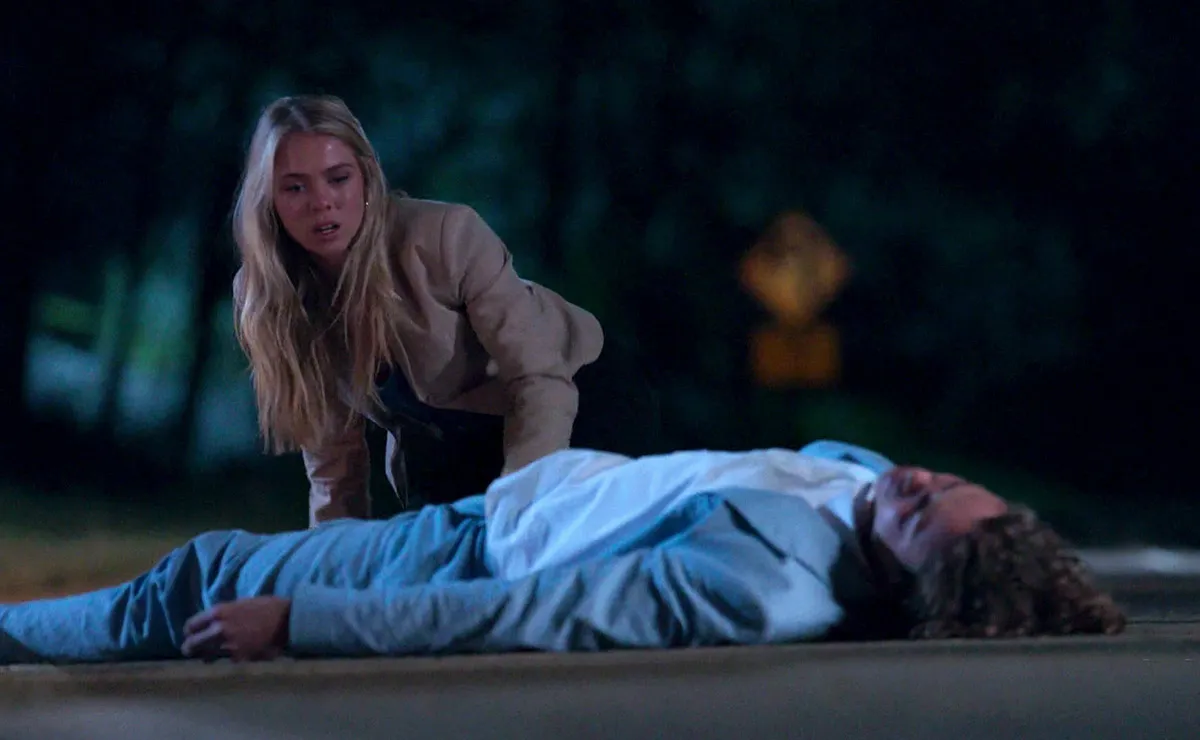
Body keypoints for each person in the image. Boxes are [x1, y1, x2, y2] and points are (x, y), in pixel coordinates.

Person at [0, 441, 1124, 665]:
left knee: (197, 578)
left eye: (927, 512)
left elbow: (534, 614)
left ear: (911, 575)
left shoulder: (763, 584)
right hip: (487, 509)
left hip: (454, 559)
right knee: (194, 571)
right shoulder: (868, 485)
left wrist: (307, 623)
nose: (918, 483)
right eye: (949, 483)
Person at [230, 94, 660, 525]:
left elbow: (539, 380)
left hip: (573, 395)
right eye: (295, 187)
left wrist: (516, 507)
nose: (321, 202)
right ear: (268, 199)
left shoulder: (444, 235)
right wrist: (333, 556)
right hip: (445, 439)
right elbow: (334, 469)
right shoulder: (266, 294)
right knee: (434, 552)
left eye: (338, 178)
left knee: (558, 549)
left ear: (366, 178)